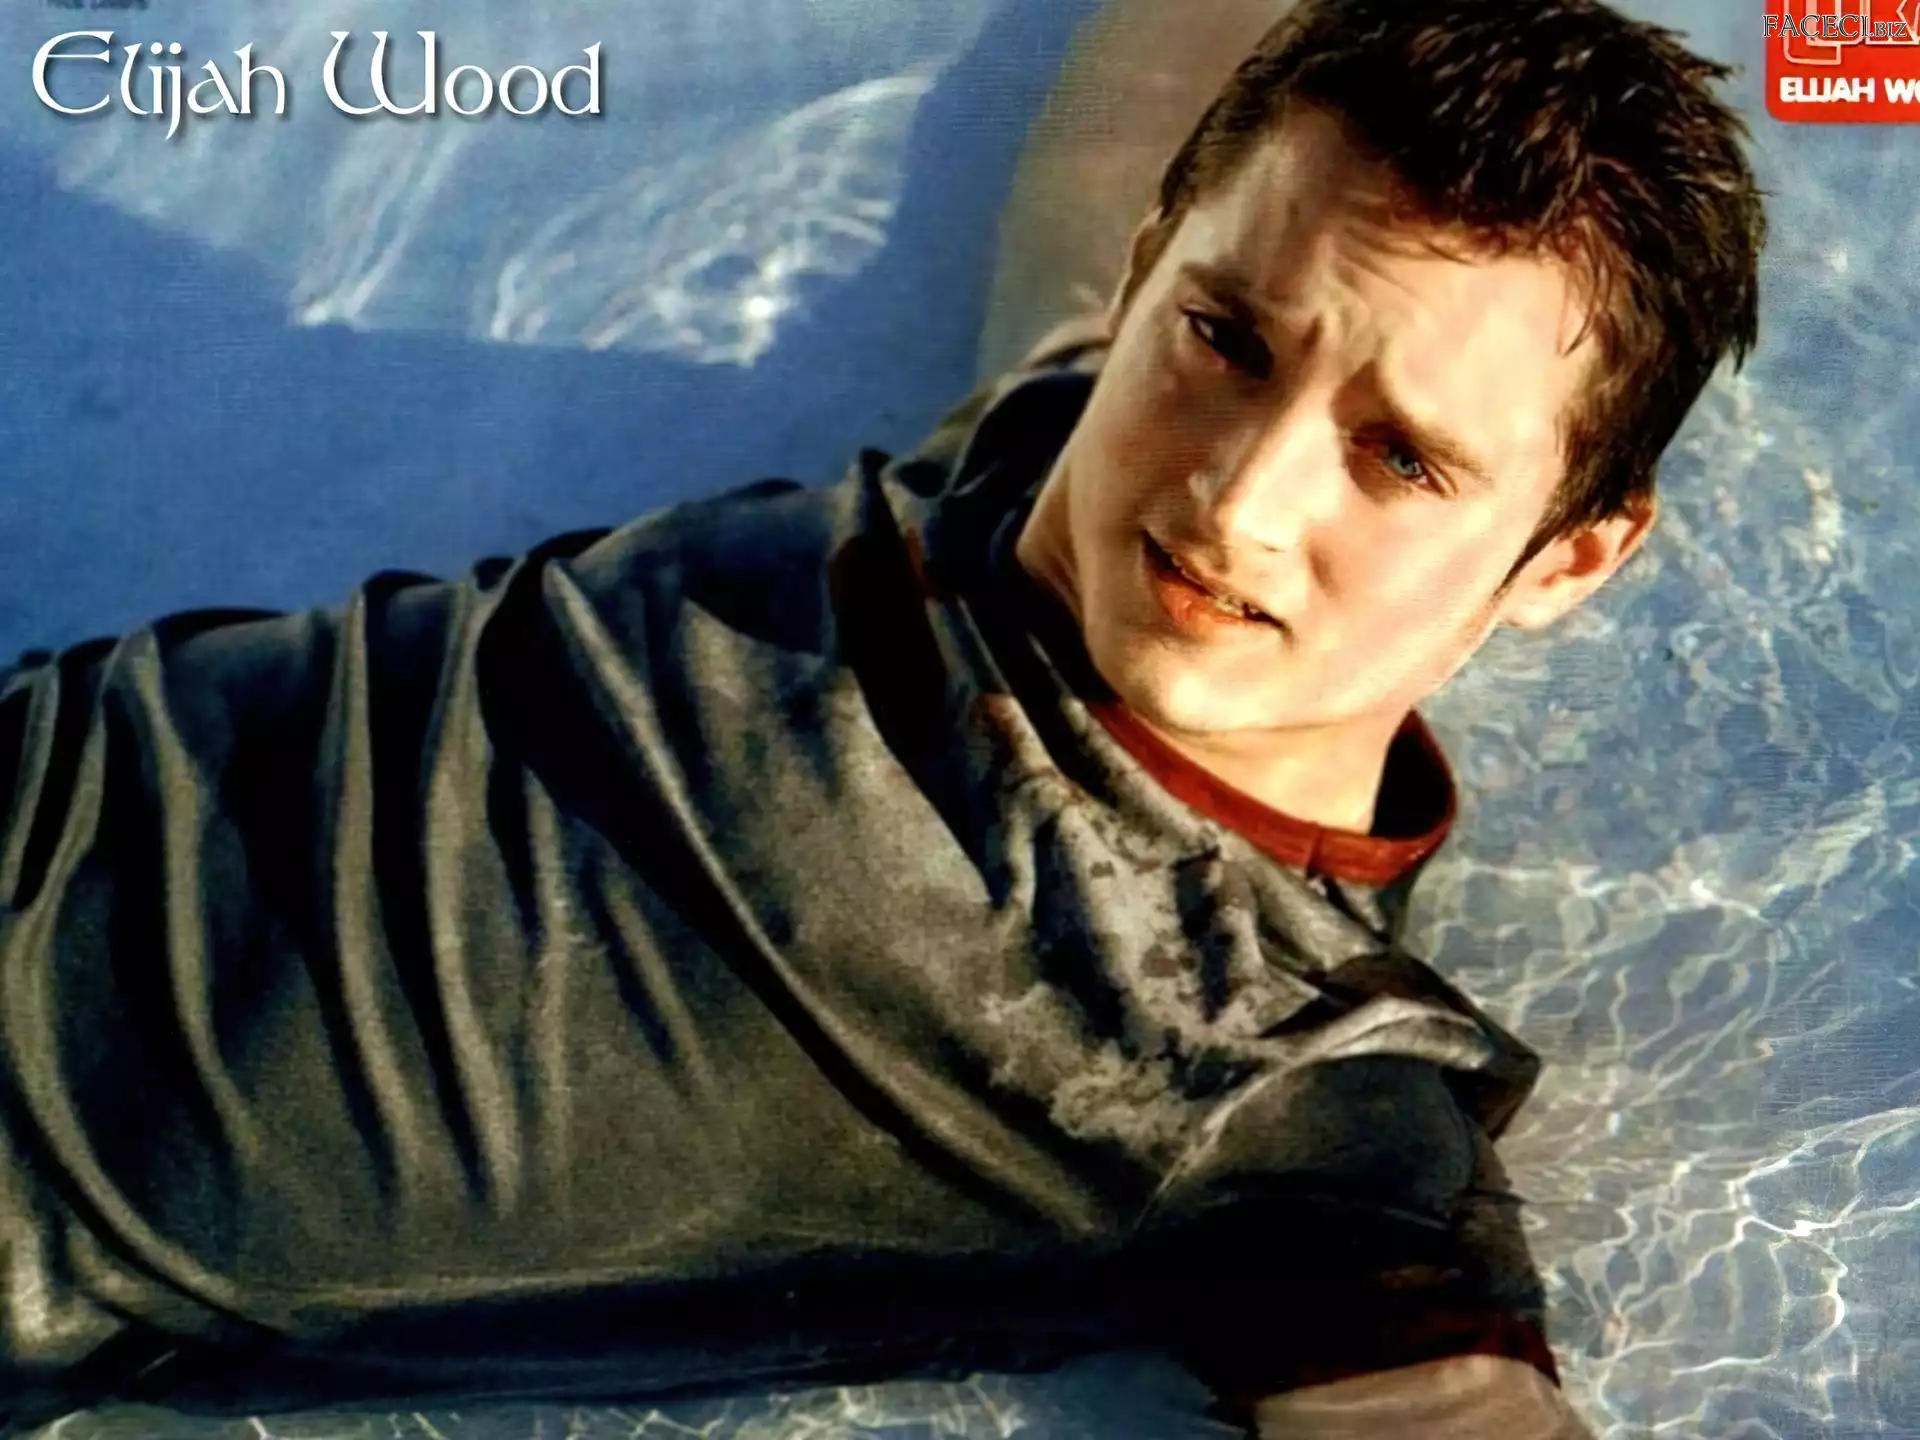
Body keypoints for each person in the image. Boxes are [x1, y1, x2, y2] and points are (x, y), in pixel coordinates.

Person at [0, 0, 1763, 1436]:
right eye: (1228, 340)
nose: (1238, 499)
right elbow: (1138, 109)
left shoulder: (1285, 1096)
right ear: (1151, 272)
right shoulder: (1040, 444)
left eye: (1401, 459)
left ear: (1570, 558)